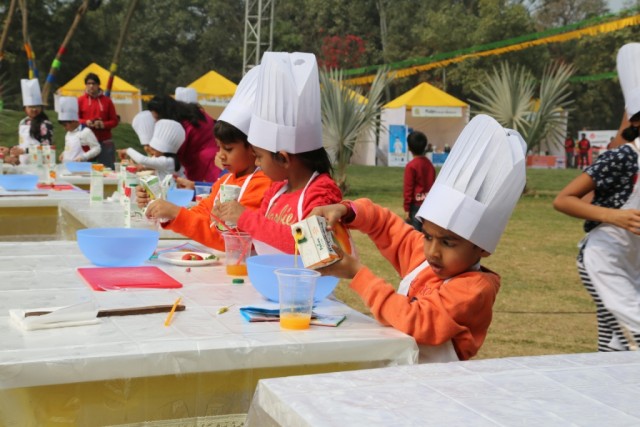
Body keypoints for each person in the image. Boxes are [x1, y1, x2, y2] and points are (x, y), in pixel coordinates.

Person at [311, 114, 527, 363]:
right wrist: (346, 210)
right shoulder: (424, 258)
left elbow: (416, 321)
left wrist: (358, 274)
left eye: (448, 242)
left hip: (436, 387)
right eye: (427, 236)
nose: (433, 251)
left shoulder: (474, 289)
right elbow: (384, 224)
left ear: (482, 248)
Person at [553, 42, 640, 352]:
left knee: (614, 341)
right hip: (603, 259)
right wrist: (615, 216)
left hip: (633, 262)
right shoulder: (623, 159)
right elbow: (563, 199)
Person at [213, 52, 342, 255]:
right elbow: (260, 240)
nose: (256, 162)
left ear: (283, 158)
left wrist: (246, 218)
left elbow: (311, 248)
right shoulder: (276, 191)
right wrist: (228, 222)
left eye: (259, 155)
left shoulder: (321, 193)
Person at [140, 67, 271, 251]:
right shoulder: (225, 180)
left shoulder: (262, 185)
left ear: (253, 149)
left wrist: (175, 213)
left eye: (228, 148)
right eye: (218, 146)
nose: (221, 154)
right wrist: (162, 209)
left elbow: (229, 239)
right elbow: (202, 213)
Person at [147, 95, 220, 182]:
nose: (157, 122)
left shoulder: (180, 127)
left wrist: (150, 163)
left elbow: (170, 154)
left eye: (158, 119)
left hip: (205, 165)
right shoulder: (193, 113)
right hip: (213, 157)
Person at [77, 72, 119, 169]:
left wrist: (103, 124)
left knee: (107, 170)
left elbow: (114, 121)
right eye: (89, 83)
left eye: (94, 83)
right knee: (84, 171)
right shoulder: (80, 100)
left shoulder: (107, 101)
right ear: (86, 85)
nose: (91, 86)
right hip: (86, 143)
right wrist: (86, 122)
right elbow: (75, 120)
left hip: (104, 141)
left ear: (98, 85)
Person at [9, 79, 53, 165]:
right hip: (23, 163)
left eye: (37, 106)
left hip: (40, 164)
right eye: (30, 107)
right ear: (25, 108)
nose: (34, 109)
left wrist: (24, 151)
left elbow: (47, 147)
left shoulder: (45, 124)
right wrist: (15, 149)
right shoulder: (23, 122)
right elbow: (24, 143)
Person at [404, 131, 436, 231]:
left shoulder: (411, 166)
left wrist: (407, 209)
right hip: (428, 205)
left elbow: (408, 189)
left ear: (409, 147)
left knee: (416, 236)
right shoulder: (430, 165)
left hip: (415, 207)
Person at [56, 96, 101, 162]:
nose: (64, 128)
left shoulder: (85, 132)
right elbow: (69, 148)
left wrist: (84, 157)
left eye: (65, 125)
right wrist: (64, 153)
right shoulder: (68, 133)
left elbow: (97, 148)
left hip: (81, 167)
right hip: (67, 165)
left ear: (73, 121)